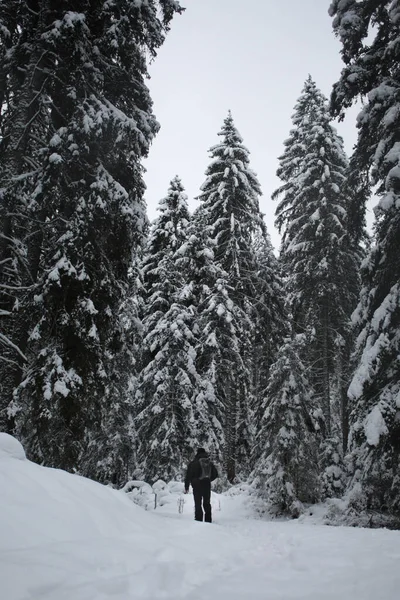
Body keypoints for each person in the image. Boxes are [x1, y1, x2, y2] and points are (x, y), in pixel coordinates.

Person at [184, 448, 218, 523]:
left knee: (198, 503)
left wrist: (186, 486)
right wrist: (208, 479)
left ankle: (198, 520)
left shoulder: (193, 463)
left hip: (196, 485)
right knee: (207, 502)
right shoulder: (209, 463)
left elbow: (188, 476)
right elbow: (215, 474)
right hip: (207, 484)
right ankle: (208, 520)